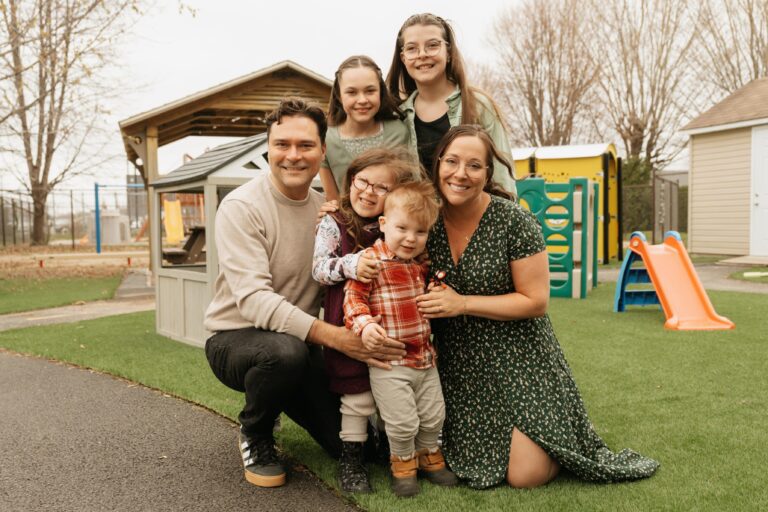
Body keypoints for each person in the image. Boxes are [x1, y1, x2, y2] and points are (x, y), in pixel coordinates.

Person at [415, 125, 659, 489]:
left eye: (474, 165)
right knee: (460, 459)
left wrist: (462, 303)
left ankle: (557, 439)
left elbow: (535, 301)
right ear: (437, 164)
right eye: (451, 161)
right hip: (459, 365)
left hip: (521, 357)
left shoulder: (515, 221)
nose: (460, 173)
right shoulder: (424, 220)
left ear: (488, 173)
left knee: (524, 476)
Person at [203, 97, 406, 489]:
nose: (293, 155)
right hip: (237, 338)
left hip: (304, 342)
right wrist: (338, 339)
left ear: (322, 151)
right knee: (284, 354)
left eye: (305, 145)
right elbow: (254, 300)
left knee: (358, 449)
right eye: (282, 144)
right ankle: (256, 432)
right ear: (268, 147)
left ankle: (284, 396)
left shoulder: (329, 214)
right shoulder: (241, 206)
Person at [312, 147, 417, 493]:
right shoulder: (334, 221)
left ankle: (391, 449)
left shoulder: (398, 225)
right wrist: (351, 264)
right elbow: (318, 269)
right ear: (351, 180)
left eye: (382, 187)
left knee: (393, 388)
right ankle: (352, 460)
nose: (369, 192)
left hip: (392, 325)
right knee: (357, 395)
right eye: (363, 181)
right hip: (349, 324)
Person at [344, 181, 458, 497]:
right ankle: (403, 466)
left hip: (424, 358)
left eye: (420, 232)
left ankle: (430, 457)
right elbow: (353, 299)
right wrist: (365, 326)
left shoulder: (420, 265)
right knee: (402, 421)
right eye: (402, 228)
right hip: (390, 363)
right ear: (383, 224)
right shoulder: (371, 261)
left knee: (434, 415)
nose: (410, 238)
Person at [386, 13, 516, 193]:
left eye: (432, 45)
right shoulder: (399, 117)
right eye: (412, 48)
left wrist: (506, 209)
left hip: (476, 210)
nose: (422, 54)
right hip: (421, 211)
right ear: (403, 58)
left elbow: (503, 178)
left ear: (448, 53)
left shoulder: (479, 106)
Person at [320, 56, 415, 201]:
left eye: (370, 91)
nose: (362, 100)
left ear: (380, 92)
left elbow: (406, 188)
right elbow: (332, 199)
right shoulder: (327, 139)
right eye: (352, 92)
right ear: (339, 95)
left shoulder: (398, 132)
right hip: (344, 215)